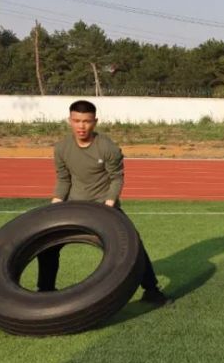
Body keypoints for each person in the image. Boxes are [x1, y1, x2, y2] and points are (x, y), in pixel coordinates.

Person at [39, 100, 170, 305]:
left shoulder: (108, 147)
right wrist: (55, 206)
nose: (81, 126)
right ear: (69, 121)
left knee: (135, 245)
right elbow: (64, 179)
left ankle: (152, 291)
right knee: (47, 245)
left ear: (95, 122)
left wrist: (109, 204)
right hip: (74, 206)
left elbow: (116, 178)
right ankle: (45, 291)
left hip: (104, 206)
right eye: (76, 121)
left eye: (86, 121)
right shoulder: (62, 148)